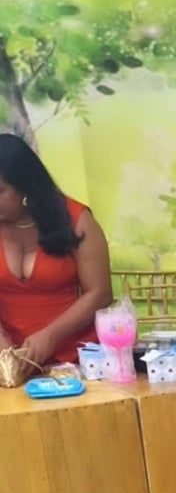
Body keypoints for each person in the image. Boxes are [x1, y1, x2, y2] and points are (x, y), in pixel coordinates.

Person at [0, 133, 111, 366]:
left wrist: (50, 335)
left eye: (0, 191)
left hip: (77, 361)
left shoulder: (75, 219)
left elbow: (99, 293)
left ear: (25, 187)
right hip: (11, 363)